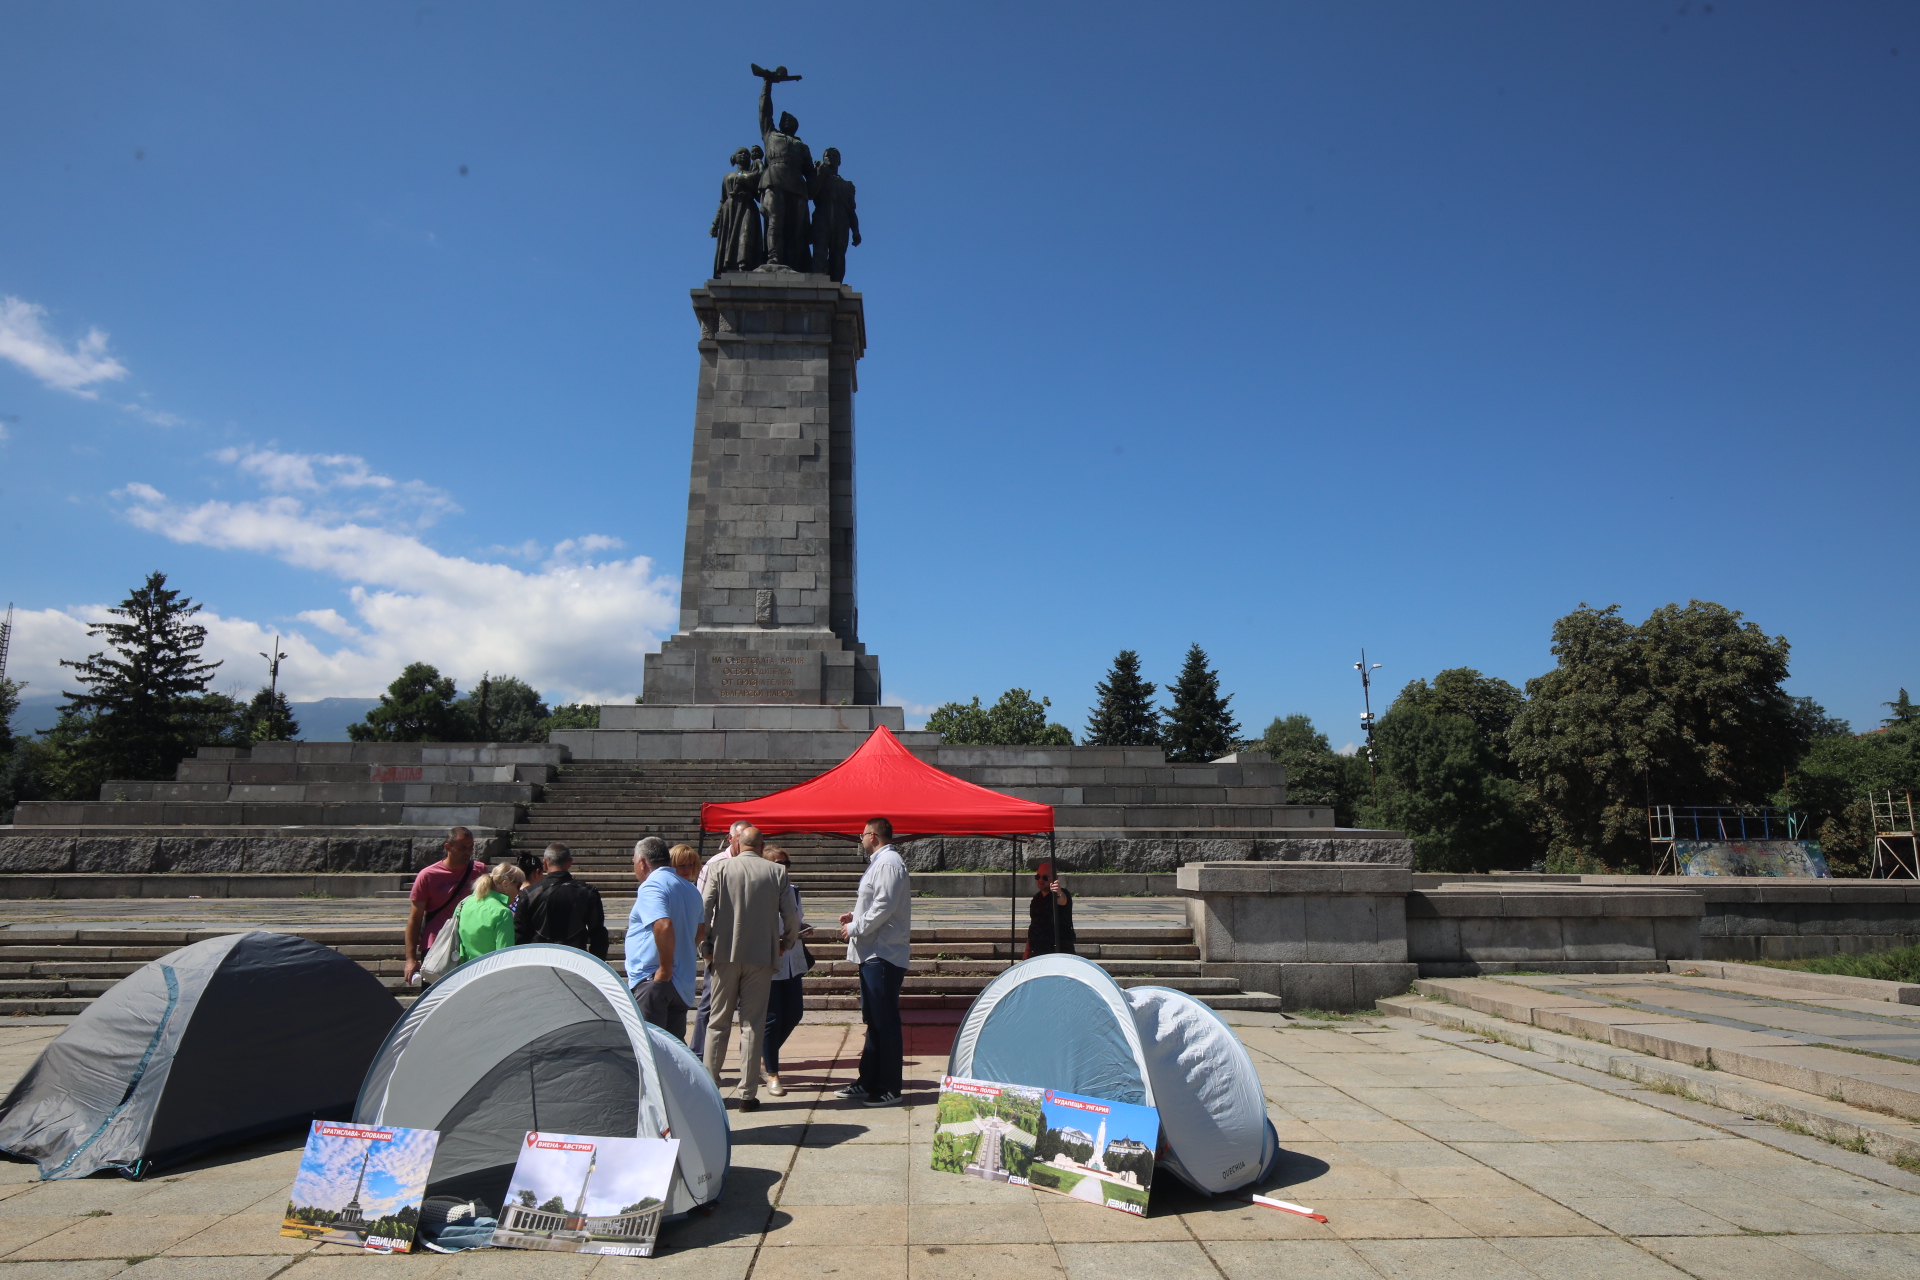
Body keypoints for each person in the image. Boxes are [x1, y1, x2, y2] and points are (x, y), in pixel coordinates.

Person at [700, 825, 800, 1111]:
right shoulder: (776, 872)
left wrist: (704, 945)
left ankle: (710, 1087)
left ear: (737, 843)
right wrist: (786, 942)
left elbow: (705, 908)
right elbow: (790, 915)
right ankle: (747, 1093)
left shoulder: (721, 869)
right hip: (760, 955)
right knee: (752, 1024)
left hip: (723, 953)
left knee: (717, 1022)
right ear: (761, 845)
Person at [834, 817, 910, 1107]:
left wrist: (856, 927)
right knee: (874, 1021)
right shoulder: (881, 862)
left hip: (883, 954)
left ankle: (890, 1086)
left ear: (874, 836)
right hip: (873, 952)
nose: (860, 839)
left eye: (862, 834)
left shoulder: (889, 863)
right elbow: (876, 903)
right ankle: (868, 1080)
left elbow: (884, 906)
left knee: (885, 1021)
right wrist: (856, 917)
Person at [628, 836, 703, 1039]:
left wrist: (665, 968)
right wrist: (682, 951)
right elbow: (702, 930)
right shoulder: (690, 888)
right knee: (672, 1052)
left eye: (634, 861)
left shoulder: (651, 886)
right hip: (680, 983)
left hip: (656, 980)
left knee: (650, 1049)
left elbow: (663, 924)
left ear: (642, 862)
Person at [403, 826, 487, 986]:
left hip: (468, 944)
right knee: (434, 997)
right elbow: (414, 919)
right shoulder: (428, 875)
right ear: (448, 847)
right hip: (437, 945)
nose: (468, 852)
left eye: (471, 847)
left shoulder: (479, 870)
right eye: (463, 848)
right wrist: (410, 959)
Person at [691, 822, 748, 1057]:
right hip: (719, 941)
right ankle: (698, 1053)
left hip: (745, 941)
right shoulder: (716, 864)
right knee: (711, 999)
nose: (745, 843)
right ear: (730, 838)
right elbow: (702, 905)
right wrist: (705, 945)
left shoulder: (754, 865)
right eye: (740, 838)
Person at [761, 846, 811, 1096]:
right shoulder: (760, 891)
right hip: (769, 963)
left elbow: (795, 921)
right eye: (778, 864)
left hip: (792, 962)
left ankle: (761, 1054)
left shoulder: (794, 891)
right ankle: (772, 1072)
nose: (784, 868)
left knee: (794, 1014)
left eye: (786, 863)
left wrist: (802, 928)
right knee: (772, 1018)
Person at [514, 843, 608, 959]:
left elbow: (519, 935)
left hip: (539, 960)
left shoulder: (529, 893)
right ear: (570, 863)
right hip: (575, 961)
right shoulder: (587, 892)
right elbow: (598, 934)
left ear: (545, 864)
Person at [808, 147, 860, 283]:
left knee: (838, 255)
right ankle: (818, 281)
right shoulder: (818, 177)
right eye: (828, 155)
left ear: (839, 161)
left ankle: (836, 284)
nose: (831, 157)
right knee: (820, 251)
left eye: (834, 156)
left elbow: (851, 210)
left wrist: (856, 231)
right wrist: (820, 174)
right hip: (821, 217)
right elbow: (810, 194)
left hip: (841, 221)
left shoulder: (847, 185)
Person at [710, 146, 764, 275]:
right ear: (734, 157)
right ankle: (727, 265)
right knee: (729, 238)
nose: (744, 155)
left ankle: (744, 264)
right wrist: (715, 223)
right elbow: (722, 200)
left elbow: (759, 196)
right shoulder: (727, 177)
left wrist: (749, 181)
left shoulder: (753, 175)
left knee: (746, 234)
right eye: (740, 153)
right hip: (729, 210)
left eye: (746, 153)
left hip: (747, 206)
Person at [454, 869, 517, 963]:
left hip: (462, 970)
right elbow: (504, 956)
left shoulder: (464, 903)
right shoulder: (503, 912)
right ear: (505, 884)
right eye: (518, 886)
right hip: (488, 972)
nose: (519, 892)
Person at [1024, 862, 1076, 958]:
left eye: (1045, 878)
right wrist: (1027, 950)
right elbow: (1033, 925)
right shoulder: (1036, 898)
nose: (1040, 880)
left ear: (1055, 878)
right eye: (1038, 877)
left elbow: (1063, 901)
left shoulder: (1061, 894)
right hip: (1038, 950)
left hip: (1059, 950)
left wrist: (1059, 893)